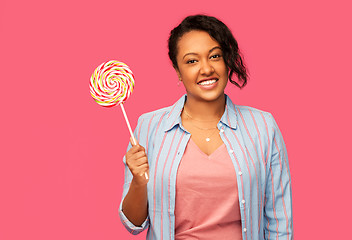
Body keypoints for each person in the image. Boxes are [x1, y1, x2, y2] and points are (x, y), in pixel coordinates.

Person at [119, 14, 293, 240]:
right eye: (192, 61)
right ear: (178, 71)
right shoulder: (149, 126)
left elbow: (279, 221)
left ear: (226, 61)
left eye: (215, 56)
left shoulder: (263, 127)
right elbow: (134, 225)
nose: (206, 68)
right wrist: (139, 182)